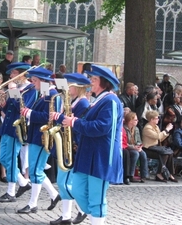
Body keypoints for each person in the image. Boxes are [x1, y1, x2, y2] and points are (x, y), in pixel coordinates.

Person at [61, 64, 123, 224]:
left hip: (101, 157)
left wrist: (75, 122)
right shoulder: (98, 100)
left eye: (94, 79)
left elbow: (102, 127)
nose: (90, 81)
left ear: (104, 82)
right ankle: (95, 215)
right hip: (88, 155)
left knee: (97, 199)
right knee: (77, 190)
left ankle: (97, 217)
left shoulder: (111, 101)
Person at [17, 67, 61, 214]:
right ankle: (54, 196)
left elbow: (48, 117)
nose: (32, 83)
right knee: (37, 169)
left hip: (43, 137)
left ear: (43, 81)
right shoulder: (45, 94)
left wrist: (28, 113)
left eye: (35, 80)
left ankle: (32, 203)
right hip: (37, 135)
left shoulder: (52, 94)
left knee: (36, 170)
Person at [49, 73, 90, 225]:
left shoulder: (83, 104)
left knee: (65, 182)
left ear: (78, 88)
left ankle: (83, 209)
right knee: (62, 182)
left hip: (72, 146)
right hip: (66, 144)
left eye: (70, 85)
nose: (67, 87)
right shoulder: (73, 101)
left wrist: (58, 117)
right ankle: (66, 216)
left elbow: (77, 126)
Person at [0, 62, 35, 203]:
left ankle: (10, 192)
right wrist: (3, 101)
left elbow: (22, 108)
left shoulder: (30, 89)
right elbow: (7, 110)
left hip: (17, 128)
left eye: (13, 73)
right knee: (3, 158)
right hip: (7, 126)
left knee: (11, 159)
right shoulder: (16, 88)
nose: (10, 76)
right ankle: (23, 183)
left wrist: (13, 92)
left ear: (21, 74)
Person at [142, 110, 177, 183]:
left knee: (169, 153)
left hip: (155, 148)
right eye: (156, 118)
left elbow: (160, 138)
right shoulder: (147, 128)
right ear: (151, 119)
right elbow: (157, 136)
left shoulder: (156, 127)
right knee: (164, 154)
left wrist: (166, 132)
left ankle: (170, 173)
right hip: (148, 148)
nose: (158, 119)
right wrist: (166, 129)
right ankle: (159, 173)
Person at [124, 112, 148, 183]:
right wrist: (134, 147)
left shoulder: (136, 129)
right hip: (128, 148)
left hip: (134, 147)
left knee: (143, 154)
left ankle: (144, 175)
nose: (137, 121)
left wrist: (139, 146)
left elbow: (138, 140)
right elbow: (125, 143)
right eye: (135, 120)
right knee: (135, 154)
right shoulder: (124, 128)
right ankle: (131, 175)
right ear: (130, 120)